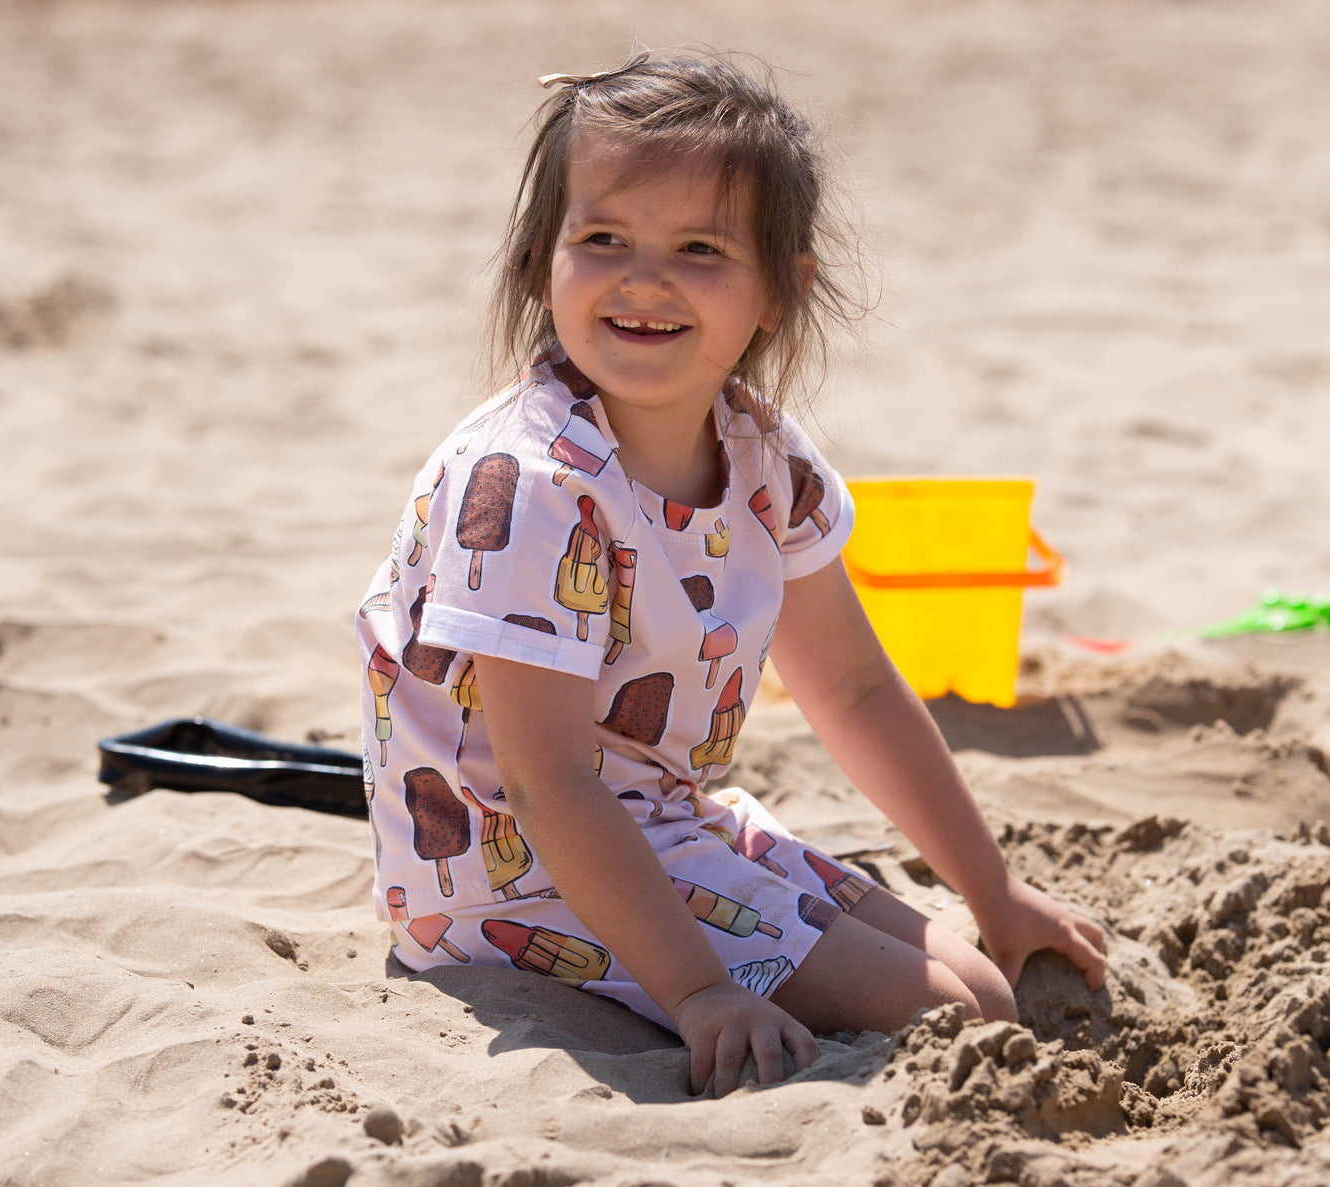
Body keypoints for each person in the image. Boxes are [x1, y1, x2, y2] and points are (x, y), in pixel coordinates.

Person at [355, 48, 1105, 1099]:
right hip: (513, 870)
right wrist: (702, 991)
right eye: (602, 238)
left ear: (777, 290)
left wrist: (993, 885)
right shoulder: (528, 486)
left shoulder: (761, 454)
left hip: (662, 813)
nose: (643, 278)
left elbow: (850, 688)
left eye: (698, 248)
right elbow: (544, 781)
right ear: (541, 260)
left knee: (979, 975)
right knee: (960, 1010)